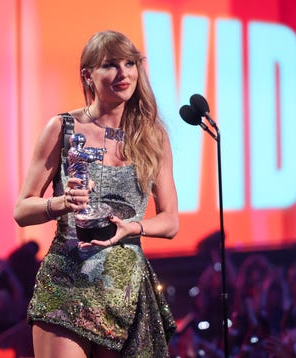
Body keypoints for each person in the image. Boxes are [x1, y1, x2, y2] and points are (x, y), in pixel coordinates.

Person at [14, 30, 179, 357]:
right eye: (111, 65)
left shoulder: (152, 137)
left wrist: (134, 227)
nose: (123, 73)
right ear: (87, 75)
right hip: (66, 284)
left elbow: (170, 221)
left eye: (130, 63)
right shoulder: (62, 128)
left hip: (124, 291)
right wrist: (61, 203)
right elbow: (22, 210)